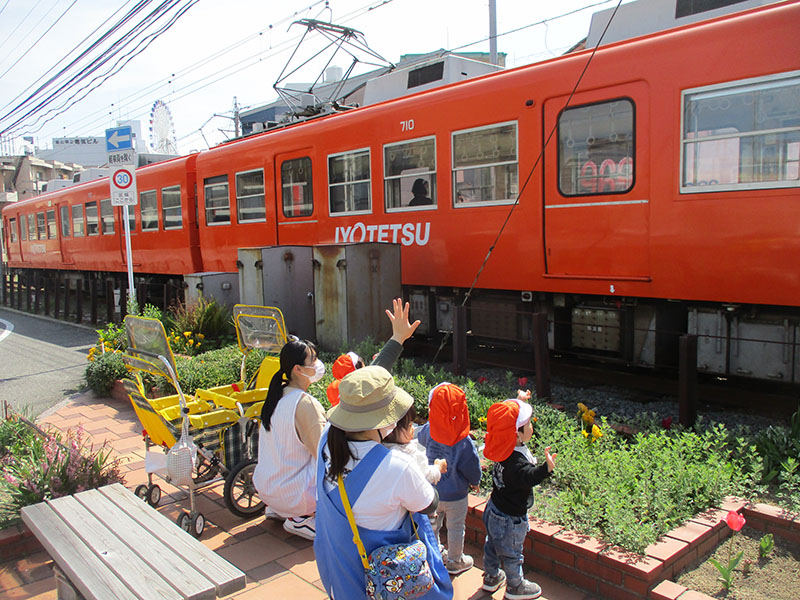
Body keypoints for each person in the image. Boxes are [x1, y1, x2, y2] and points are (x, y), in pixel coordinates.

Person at [315, 366, 453, 600]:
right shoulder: (395, 466)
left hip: (340, 570)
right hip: (383, 580)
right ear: (381, 422)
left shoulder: (326, 441)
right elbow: (429, 503)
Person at [482, 391, 556, 600]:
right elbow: (528, 476)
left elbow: (507, 417)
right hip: (510, 518)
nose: (532, 427)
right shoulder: (516, 463)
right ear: (517, 434)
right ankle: (516, 586)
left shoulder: (500, 445)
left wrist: (520, 400)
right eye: (528, 424)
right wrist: (546, 468)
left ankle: (491, 577)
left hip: (494, 508)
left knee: (492, 545)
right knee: (513, 553)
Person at [252, 337, 325, 540]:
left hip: (267, 490)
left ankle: (278, 508)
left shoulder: (276, 396)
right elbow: (323, 454)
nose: (318, 365)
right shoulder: (305, 403)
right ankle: (300, 519)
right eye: (313, 360)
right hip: (295, 497)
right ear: (298, 370)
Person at [416, 383, 482, 576]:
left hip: (433, 492)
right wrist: (475, 481)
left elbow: (420, 438)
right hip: (457, 495)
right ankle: (455, 560)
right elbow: (472, 465)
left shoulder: (429, 430)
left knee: (433, 525)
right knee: (456, 528)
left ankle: (434, 554)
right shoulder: (464, 441)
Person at [383, 404, 447, 484]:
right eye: (409, 426)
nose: (413, 429)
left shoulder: (381, 448)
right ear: (392, 429)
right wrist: (438, 467)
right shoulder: (411, 454)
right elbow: (427, 477)